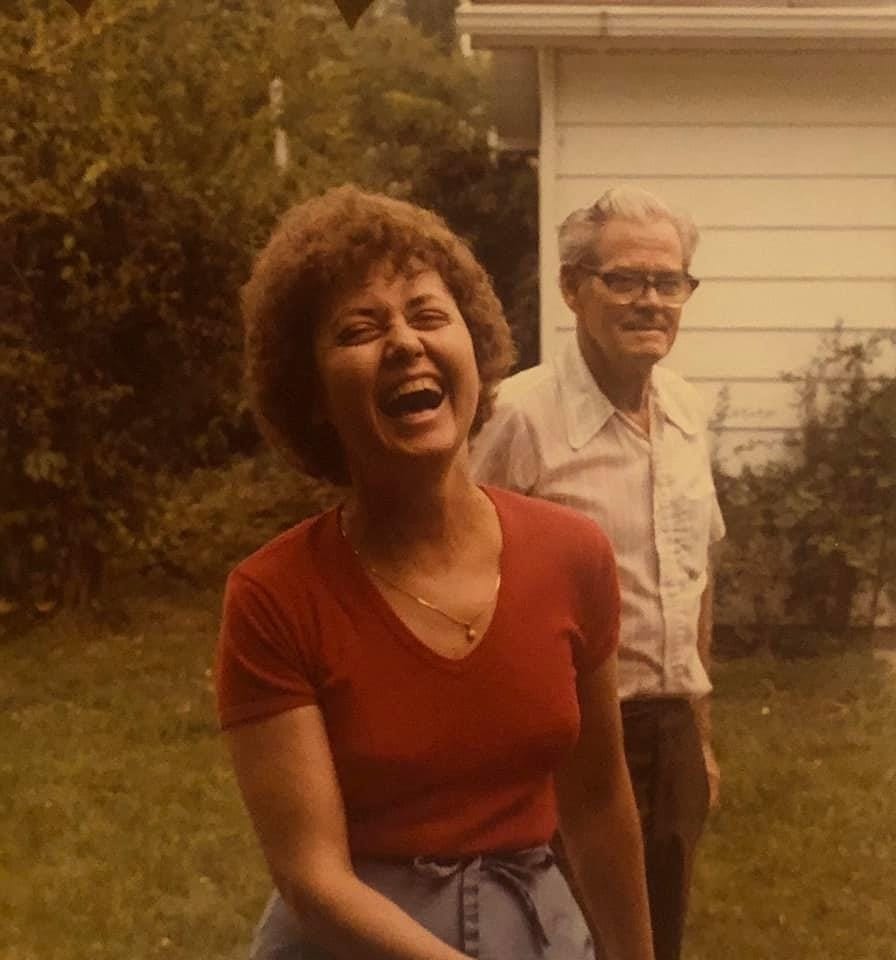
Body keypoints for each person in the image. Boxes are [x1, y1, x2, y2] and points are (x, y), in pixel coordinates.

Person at [215, 185, 656, 960]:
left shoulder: (574, 555)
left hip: (537, 933)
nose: (404, 343)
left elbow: (597, 801)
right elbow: (310, 874)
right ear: (311, 393)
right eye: (359, 328)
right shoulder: (273, 596)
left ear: (475, 350)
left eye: (427, 314)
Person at [470, 186, 725, 960]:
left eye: (669, 281)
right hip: (566, 738)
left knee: (653, 941)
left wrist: (702, 739)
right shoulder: (517, 418)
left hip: (672, 733)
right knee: (559, 942)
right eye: (626, 280)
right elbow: (461, 578)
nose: (652, 301)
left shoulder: (685, 411)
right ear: (572, 288)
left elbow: (696, 575)